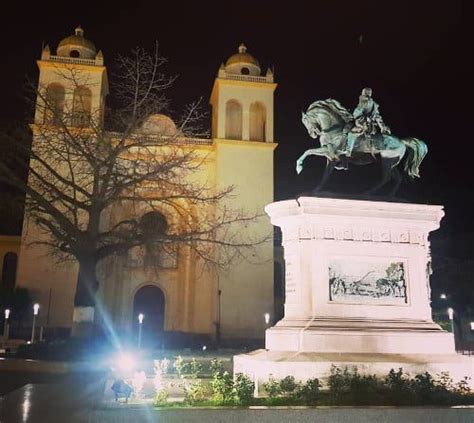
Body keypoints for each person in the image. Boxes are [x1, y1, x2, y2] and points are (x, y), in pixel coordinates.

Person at [341, 88, 391, 157]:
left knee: (348, 131)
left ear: (364, 93)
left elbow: (356, 113)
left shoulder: (364, 101)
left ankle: (348, 151)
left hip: (362, 124)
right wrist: (382, 126)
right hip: (371, 127)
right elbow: (378, 117)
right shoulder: (374, 104)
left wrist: (360, 118)